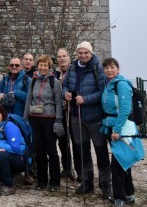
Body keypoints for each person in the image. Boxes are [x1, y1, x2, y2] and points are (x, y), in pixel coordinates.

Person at [62, 41, 112, 200]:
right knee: (82, 151)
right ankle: (87, 181)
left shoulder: (98, 68)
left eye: (86, 53)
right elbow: (64, 86)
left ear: (91, 53)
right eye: (80, 53)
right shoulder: (72, 67)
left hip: (94, 116)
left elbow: (102, 92)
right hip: (76, 116)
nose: (83, 56)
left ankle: (106, 185)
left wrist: (86, 99)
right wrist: (66, 94)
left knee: (101, 151)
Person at [101, 57, 144, 206]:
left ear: (118, 69)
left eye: (112, 67)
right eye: (106, 68)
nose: (109, 70)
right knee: (123, 161)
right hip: (116, 127)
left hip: (123, 128)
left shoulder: (121, 84)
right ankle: (129, 194)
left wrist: (117, 130)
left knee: (117, 164)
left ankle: (119, 198)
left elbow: (125, 109)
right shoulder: (109, 84)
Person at [24, 54, 64, 191]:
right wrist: (25, 118)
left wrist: (58, 120)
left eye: (45, 65)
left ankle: (55, 182)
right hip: (35, 118)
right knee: (39, 151)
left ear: (49, 67)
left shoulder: (55, 82)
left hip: (49, 119)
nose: (42, 67)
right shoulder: (33, 81)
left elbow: (59, 102)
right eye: (40, 65)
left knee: (51, 151)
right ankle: (41, 181)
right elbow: (29, 99)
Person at [55, 48, 75, 178]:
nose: (62, 58)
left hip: (73, 111)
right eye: (59, 56)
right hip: (60, 111)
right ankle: (67, 168)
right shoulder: (54, 73)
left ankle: (79, 171)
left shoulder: (74, 71)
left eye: (64, 56)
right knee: (63, 141)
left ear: (69, 57)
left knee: (77, 142)